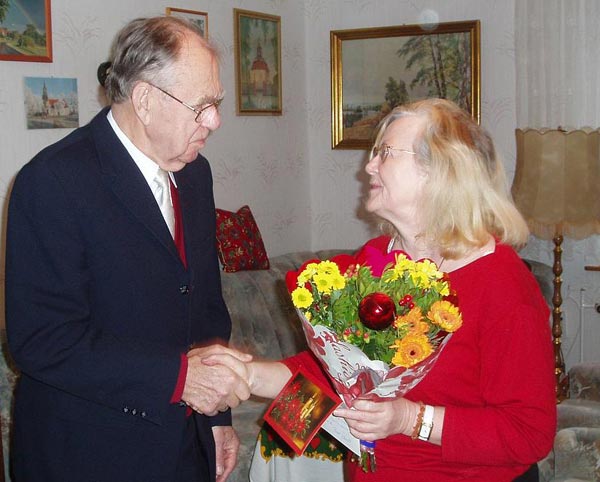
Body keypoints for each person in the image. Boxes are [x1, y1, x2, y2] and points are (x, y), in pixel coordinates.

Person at [205, 99, 557, 481]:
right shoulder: (373, 261)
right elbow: (332, 375)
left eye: (385, 153)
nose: (369, 165)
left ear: (439, 171)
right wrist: (247, 374)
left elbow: (530, 434)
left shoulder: (502, 284)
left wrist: (410, 419)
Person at [5, 16, 252, 482]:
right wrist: (179, 380)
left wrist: (216, 418)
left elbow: (206, 313)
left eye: (216, 104)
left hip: (183, 447)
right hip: (90, 452)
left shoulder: (196, 175)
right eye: (202, 106)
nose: (215, 122)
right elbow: (43, 340)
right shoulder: (53, 182)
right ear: (144, 100)